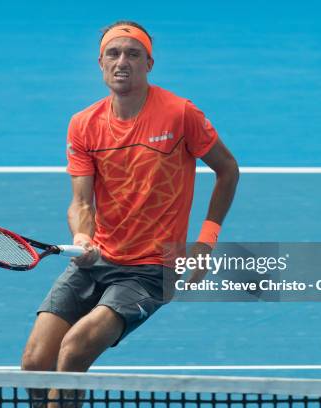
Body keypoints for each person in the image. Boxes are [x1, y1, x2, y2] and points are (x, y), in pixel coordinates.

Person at [21, 20, 239, 375]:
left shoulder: (180, 114)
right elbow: (81, 203)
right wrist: (82, 238)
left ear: (148, 64)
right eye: (114, 53)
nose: (122, 62)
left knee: (75, 349)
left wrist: (206, 241)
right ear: (101, 63)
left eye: (133, 54)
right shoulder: (83, 124)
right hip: (97, 260)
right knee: (35, 361)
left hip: (153, 269)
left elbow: (228, 169)